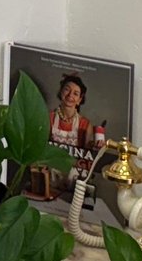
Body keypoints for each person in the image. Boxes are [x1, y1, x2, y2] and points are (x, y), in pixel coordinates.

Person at [40, 74, 105, 203]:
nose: (70, 95)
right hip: (50, 178)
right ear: (61, 92)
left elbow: (87, 153)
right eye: (67, 89)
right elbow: (41, 148)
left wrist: (96, 147)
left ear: (80, 100)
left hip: (73, 181)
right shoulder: (48, 118)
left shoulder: (85, 124)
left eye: (76, 93)